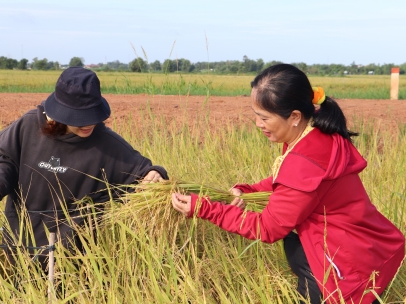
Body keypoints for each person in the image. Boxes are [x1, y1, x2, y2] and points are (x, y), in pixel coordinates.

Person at [171, 64, 405, 304]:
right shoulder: (315, 133)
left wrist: (204, 208)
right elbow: (285, 182)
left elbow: (267, 228)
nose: (257, 124)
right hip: (362, 245)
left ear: (294, 116)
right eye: (256, 115)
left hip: (343, 265)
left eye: (264, 118)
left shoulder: (304, 161)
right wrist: (248, 190)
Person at [0, 66, 168, 269]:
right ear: (60, 113)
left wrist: (156, 174)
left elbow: (144, 175)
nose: (88, 124)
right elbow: (5, 158)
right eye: (79, 118)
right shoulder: (28, 126)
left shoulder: (108, 146)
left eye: (92, 116)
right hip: (19, 245)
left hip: (73, 261)